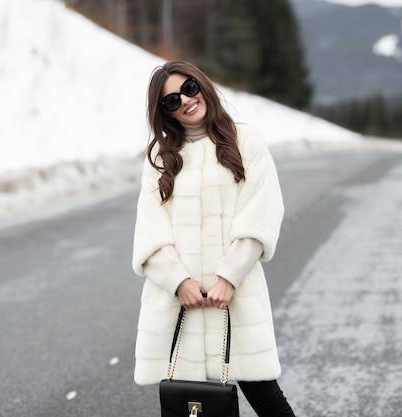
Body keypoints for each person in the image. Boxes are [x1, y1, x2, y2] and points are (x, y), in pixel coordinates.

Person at [131, 60, 296, 417]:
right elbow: (150, 228)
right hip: (180, 300)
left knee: (267, 399)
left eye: (188, 88)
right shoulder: (161, 158)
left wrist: (228, 276)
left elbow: (262, 213)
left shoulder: (245, 140)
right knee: (192, 409)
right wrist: (179, 282)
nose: (185, 101)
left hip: (233, 297)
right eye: (171, 101)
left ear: (201, 84)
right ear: (165, 113)